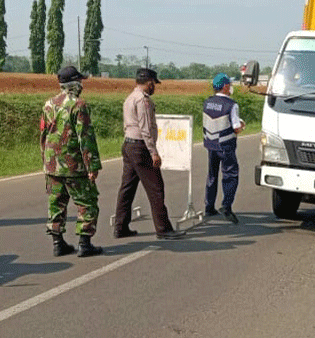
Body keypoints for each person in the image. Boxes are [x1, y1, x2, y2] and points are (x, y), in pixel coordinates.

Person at [113, 68, 186, 240]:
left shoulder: (130, 97)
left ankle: (120, 226)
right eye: (154, 83)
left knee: (127, 188)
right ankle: (163, 229)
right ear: (149, 82)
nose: (155, 87)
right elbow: (145, 128)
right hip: (140, 147)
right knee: (156, 188)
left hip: (129, 145)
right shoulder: (143, 100)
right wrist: (153, 152)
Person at [40, 66, 104, 257]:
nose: (82, 85)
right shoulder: (78, 105)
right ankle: (85, 243)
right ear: (74, 84)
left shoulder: (48, 104)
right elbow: (85, 138)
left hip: (52, 165)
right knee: (87, 201)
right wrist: (92, 166)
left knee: (56, 204)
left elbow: (43, 135)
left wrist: (45, 161)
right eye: (80, 82)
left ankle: (57, 243)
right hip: (74, 165)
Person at [202, 73, 244, 223]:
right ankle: (226, 206)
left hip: (211, 145)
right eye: (230, 85)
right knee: (231, 175)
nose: (231, 87)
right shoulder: (232, 105)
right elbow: (236, 127)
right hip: (226, 145)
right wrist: (242, 126)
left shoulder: (207, 102)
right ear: (225, 86)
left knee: (212, 175)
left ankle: (209, 207)